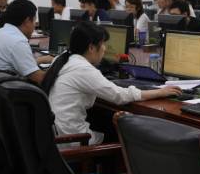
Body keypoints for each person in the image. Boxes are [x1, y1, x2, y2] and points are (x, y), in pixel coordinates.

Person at [44, 22, 181, 145]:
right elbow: (119, 96)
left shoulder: (62, 59)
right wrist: (159, 92)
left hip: (53, 134)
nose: (105, 49)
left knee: (105, 119)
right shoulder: (83, 69)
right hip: (72, 139)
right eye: (103, 44)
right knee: (125, 133)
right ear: (91, 47)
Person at [0, 0, 53, 83]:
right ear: (27, 21)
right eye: (34, 21)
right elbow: (41, 79)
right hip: (5, 88)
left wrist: (41, 60)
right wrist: (60, 68)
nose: (34, 26)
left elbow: (20, 64)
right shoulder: (17, 41)